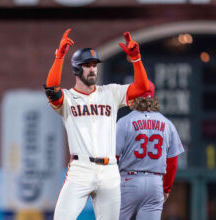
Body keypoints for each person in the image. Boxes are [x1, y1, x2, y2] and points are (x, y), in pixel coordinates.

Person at [44, 28, 150, 220]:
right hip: (81, 168)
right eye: (87, 65)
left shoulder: (111, 93)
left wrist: (136, 59)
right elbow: (52, 90)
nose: (92, 68)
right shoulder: (68, 99)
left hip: (109, 170)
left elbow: (142, 88)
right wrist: (59, 57)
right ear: (77, 68)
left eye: (94, 65)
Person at [116, 81, 184, 220]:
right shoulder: (167, 124)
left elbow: (113, 158)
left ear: (134, 96)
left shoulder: (125, 122)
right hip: (155, 182)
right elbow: (172, 162)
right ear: (153, 98)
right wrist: (166, 189)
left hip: (129, 180)